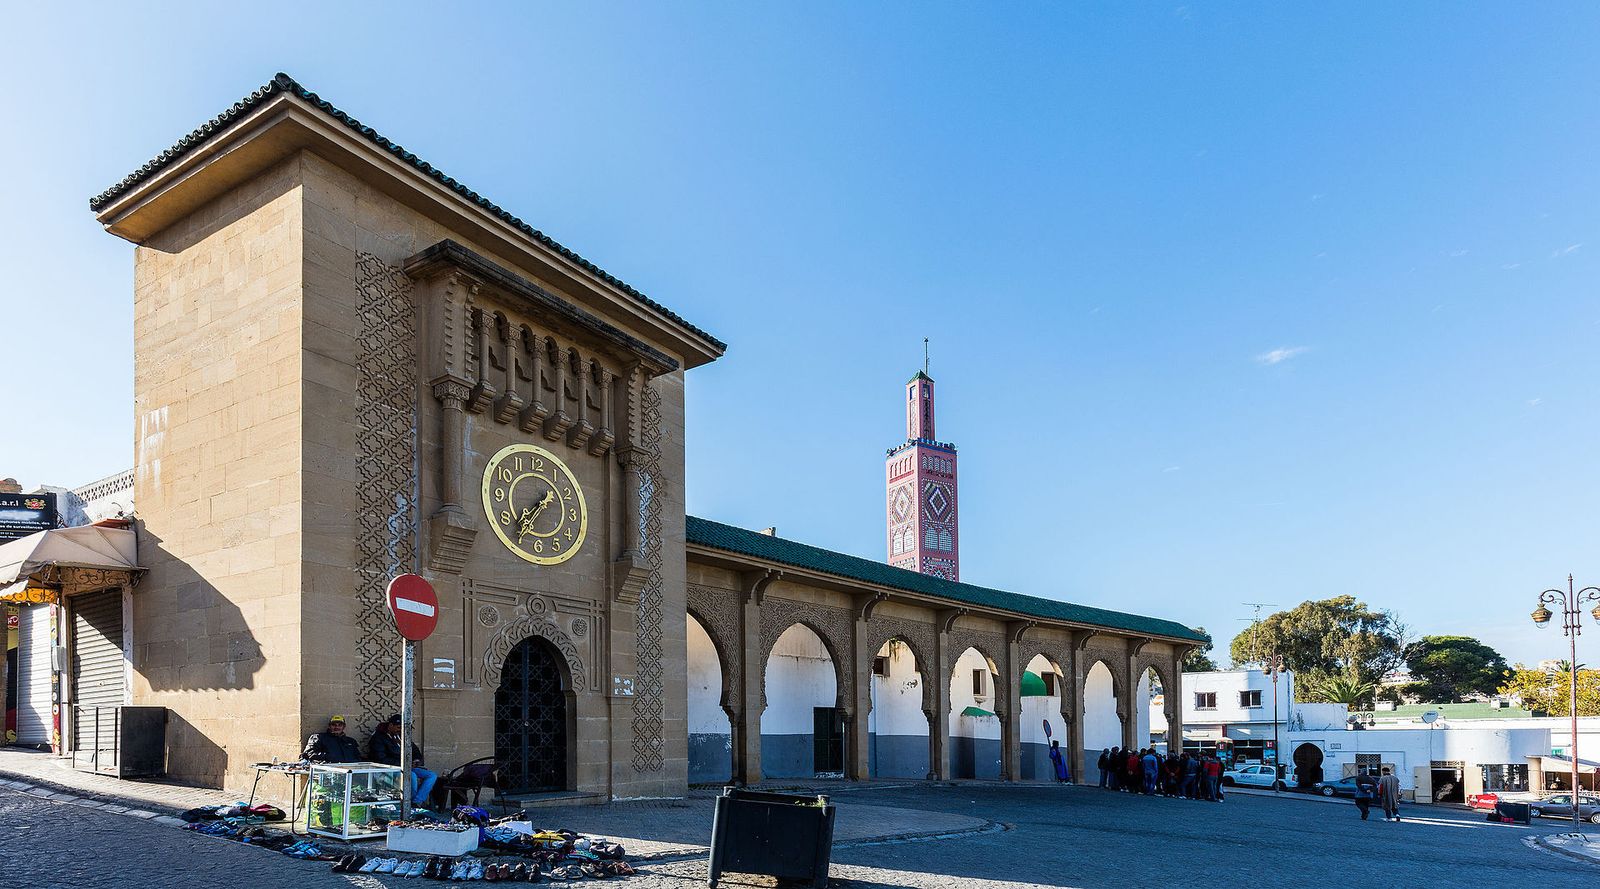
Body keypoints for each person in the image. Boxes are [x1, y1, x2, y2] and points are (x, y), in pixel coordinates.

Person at [369, 714, 437, 806]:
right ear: (390, 725)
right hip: (389, 769)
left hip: (407, 767)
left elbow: (415, 751)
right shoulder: (378, 738)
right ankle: (409, 804)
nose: (400, 730)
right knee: (411, 776)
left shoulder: (403, 736)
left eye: (402, 728)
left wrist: (417, 760)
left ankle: (416, 802)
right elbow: (381, 759)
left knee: (431, 775)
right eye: (398, 727)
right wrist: (403, 765)